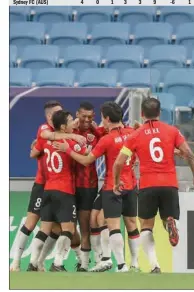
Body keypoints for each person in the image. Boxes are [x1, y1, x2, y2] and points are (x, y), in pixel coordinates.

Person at [113, 97, 194, 273]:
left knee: (146, 226)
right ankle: (169, 221)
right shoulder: (172, 131)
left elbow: (118, 163)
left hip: (148, 185)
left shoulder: (135, 135)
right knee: (166, 216)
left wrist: (117, 182)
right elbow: (190, 155)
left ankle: (155, 266)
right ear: (160, 113)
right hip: (169, 183)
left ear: (142, 114)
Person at [53, 102, 140, 273]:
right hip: (128, 184)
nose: (91, 121)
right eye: (83, 116)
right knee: (98, 218)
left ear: (106, 119)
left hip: (111, 185)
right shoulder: (132, 133)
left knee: (107, 222)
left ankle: (116, 263)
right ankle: (126, 262)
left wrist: (67, 149)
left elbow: (87, 160)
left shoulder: (105, 138)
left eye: (96, 117)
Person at [10, 101, 85, 272]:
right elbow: (84, 155)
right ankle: (17, 262)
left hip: (50, 187)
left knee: (52, 229)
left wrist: (40, 148)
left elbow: (33, 152)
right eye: (60, 113)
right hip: (46, 185)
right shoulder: (44, 130)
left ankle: (36, 262)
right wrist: (73, 138)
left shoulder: (49, 138)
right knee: (32, 224)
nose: (64, 113)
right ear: (51, 116)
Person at [72, 102, 103, 271]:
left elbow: (107, 136)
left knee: (85, 226)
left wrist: (96, 128)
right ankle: (74, 257)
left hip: (87, 185)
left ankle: (85, 264)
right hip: (67, 186)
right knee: (67, 227)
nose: (86, 120)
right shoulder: (68, 131)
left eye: (90, 117)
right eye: (83, 116)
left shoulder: (95, 133)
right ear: (77, 114)